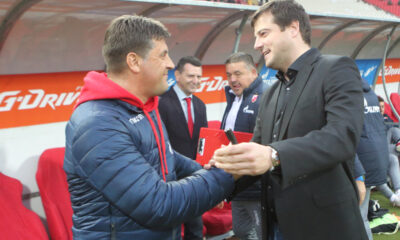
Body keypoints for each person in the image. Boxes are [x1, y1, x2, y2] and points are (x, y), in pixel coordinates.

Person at [63, 15, 236, 240]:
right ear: (134, 62)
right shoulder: (98, 124)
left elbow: (167, 156)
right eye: (163, 55)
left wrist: (204, 171)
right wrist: (227, 174)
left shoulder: (144, 106)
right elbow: (158, 205)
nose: (171, 64)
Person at [210, 1, 368, 239]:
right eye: (256, 36)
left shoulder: (336, 68)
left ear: (293, 28)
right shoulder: (271, 92)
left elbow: (341, 137)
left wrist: (273, 155)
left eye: (263, 33)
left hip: (323, 227)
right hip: (276, 226)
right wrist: (227, 170)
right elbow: (259, 155)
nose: (257, 44)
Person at [158, 56, 208, 240]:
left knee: (195, 228)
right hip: (169, 178)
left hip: (194, 178)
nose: (196, 81)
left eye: (199, 77)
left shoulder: (200, 105)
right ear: (177, 75)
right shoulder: (160, 102)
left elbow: (202, 143)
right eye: (191, 76)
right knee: (170, 230)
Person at [221, 52, 267, 240]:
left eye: (238, 74)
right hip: (237, 186)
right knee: (241, 233)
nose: (233, 80)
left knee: (261, 234)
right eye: (229, 75)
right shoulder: (233, 98)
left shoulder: (264, 97)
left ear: (253, 72)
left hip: (257, 189)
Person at [354, 79, 389, 240]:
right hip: (377, 158)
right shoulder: (371, 94)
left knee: (359, 217)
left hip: (361, 162)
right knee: (360, 216)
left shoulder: (350, 94)